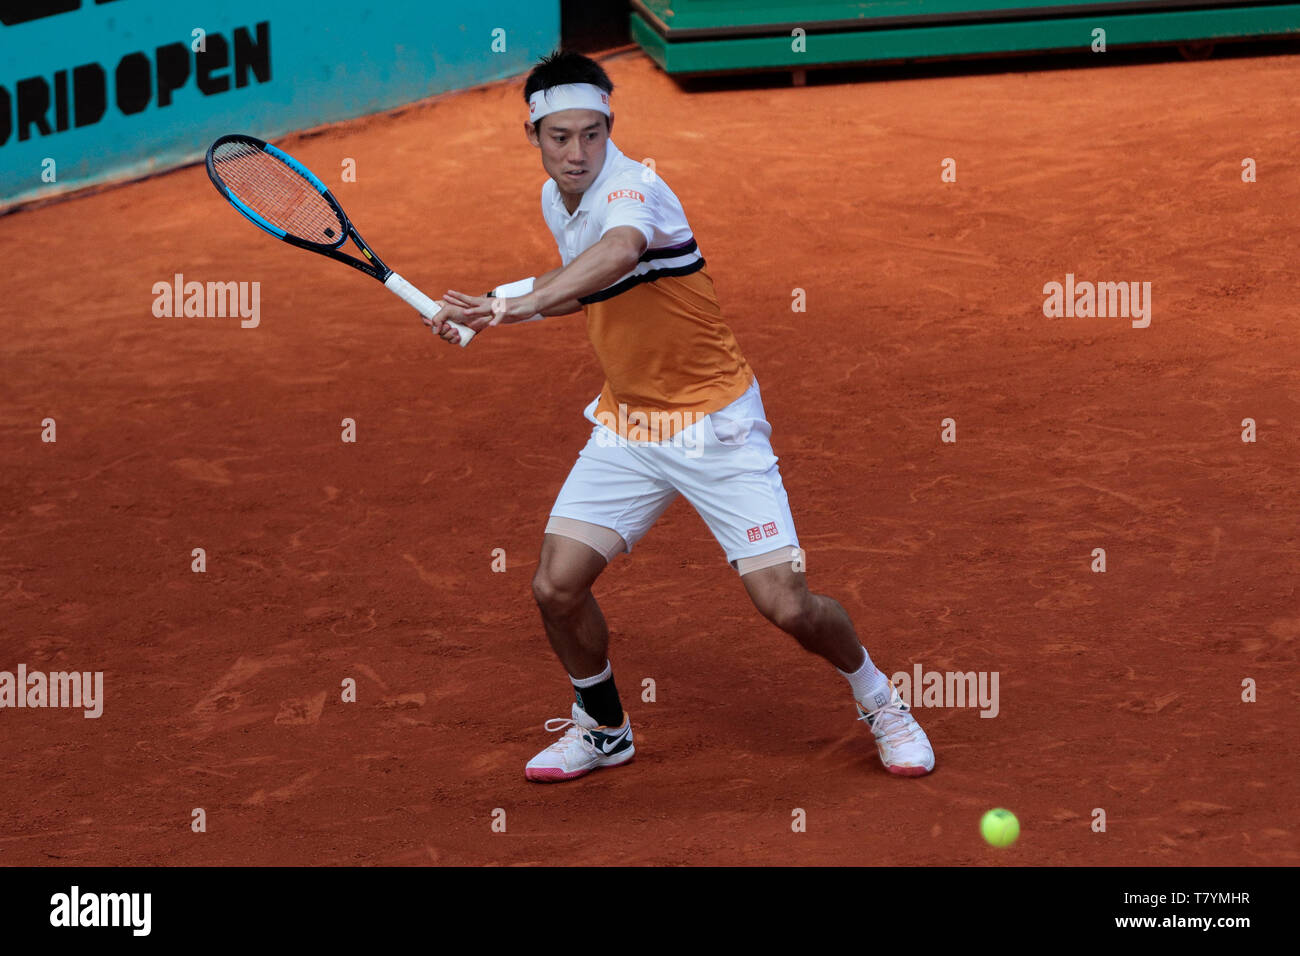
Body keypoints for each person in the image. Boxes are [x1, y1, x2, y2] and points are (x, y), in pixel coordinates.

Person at [430, 51, 934, 782]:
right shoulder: (556, 198)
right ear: (533, 136)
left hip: (716, 426)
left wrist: (508, 305)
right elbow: (588, 289)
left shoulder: (635, 190)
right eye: (560, 137)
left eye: (591, 134)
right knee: (556, 587)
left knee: (787, 606)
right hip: (631, 427)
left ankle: (881, 699)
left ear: (611, 128)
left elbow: (619, 253)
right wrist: (491, 309)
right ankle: (604, 729)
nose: (577, 153)